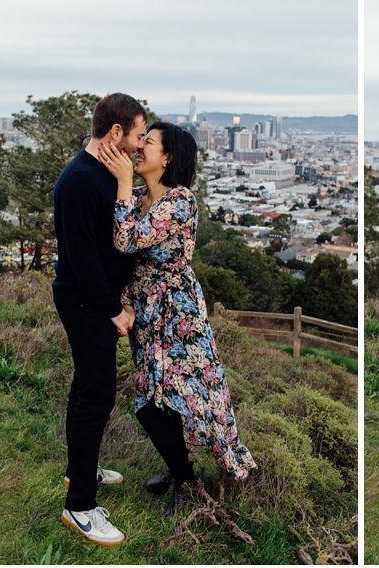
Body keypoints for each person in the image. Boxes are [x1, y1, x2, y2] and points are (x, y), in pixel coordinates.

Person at [97, 122, 257, 518]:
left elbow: (126, 240)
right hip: (147, 312)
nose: (139, 150)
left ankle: (188, 483)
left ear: (167, 157)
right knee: (157, 399)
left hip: (178, 316)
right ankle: (178, 469)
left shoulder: (181, 200)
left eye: (147, 143)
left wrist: (119, 182)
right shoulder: (137, 196)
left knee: (168, 401)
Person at [53, 92, 148, 546]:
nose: (138, 143)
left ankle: (80, 471)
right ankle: (81, 507)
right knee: (97, 395)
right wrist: (115, 311)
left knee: (87, 389)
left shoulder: (107, 172)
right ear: (116, 132)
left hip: (98, 301)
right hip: (85, 303)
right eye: (137, 135)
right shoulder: (79, 180)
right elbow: (83, 259)